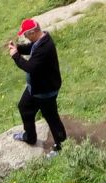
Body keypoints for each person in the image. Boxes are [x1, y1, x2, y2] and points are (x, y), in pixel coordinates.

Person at [8, 18, 67, 155]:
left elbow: (30, 67)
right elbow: (32, 47)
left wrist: (16, 56)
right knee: (24, 107)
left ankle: (61, 146)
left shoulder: (45, 47)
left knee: (51, 117)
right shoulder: (41, 39)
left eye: (26, 35)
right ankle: (30, 137)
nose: (25, 37)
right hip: (35, 88)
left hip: (46, 90)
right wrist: (19, 48)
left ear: (33, 32)